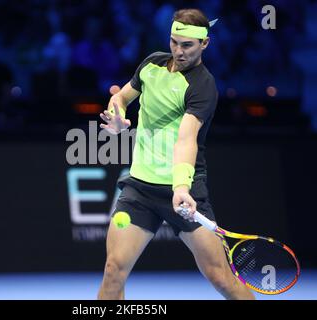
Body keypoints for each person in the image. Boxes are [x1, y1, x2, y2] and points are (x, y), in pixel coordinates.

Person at [97, 8, 255, 300]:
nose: (178, 51)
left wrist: (181, 187)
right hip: (140, 188)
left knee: (221, 278)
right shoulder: (151, 64)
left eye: (187, 45)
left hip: (185, 191)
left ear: (204, 44)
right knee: (113, 270)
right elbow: (120, 96)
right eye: (174, 42)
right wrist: (117, 116)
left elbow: (186, 139)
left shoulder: (202, 85)